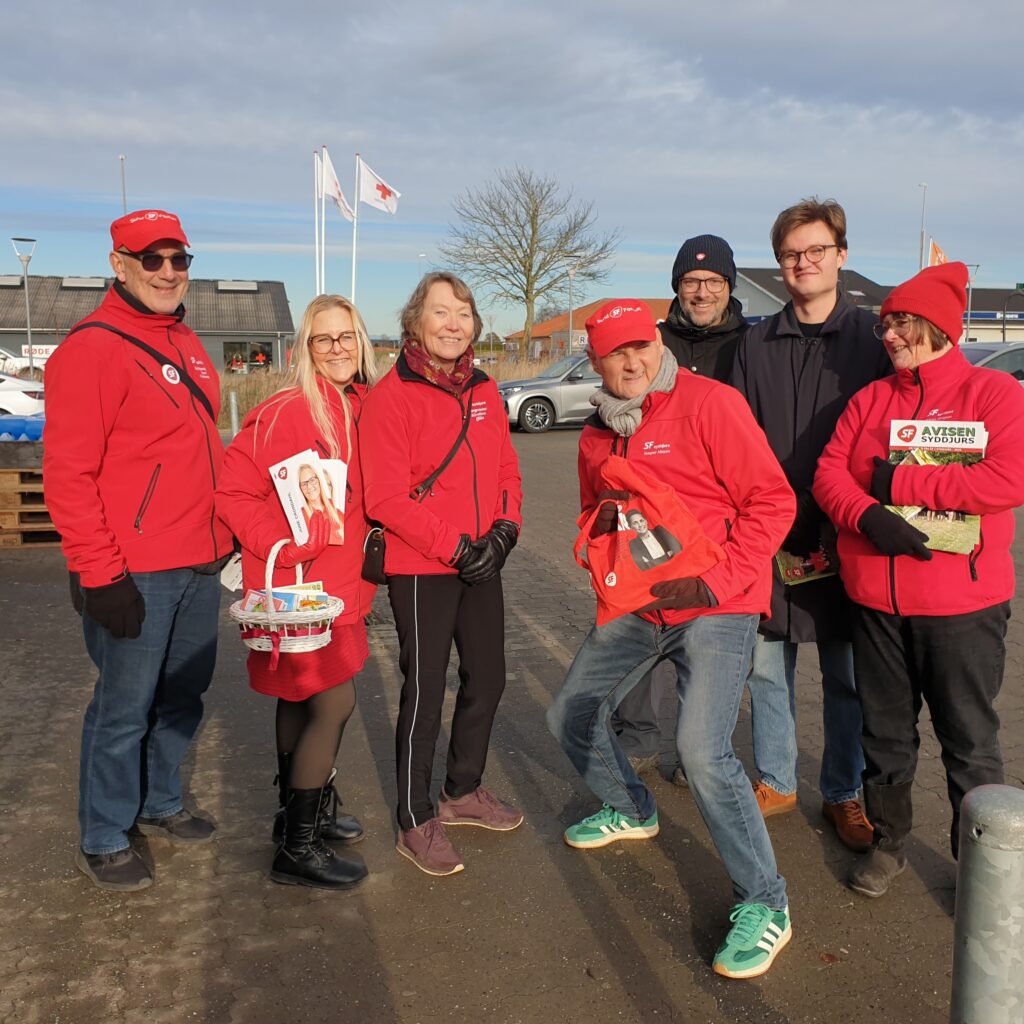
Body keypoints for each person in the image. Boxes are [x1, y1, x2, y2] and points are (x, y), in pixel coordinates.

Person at [547, 300, 796, 979]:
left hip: (717, 601)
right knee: (568, 714)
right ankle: (632, 807)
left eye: (641, 346)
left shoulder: (710, 404)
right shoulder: (597, 433)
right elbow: (593, 514)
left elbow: (773, 501)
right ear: (595, 361)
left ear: (658, 344)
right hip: (639, 605)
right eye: (616, 353)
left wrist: (719, 583)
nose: (632, 362)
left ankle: (766, 902)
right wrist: (600, 553)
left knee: (701, 750)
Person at [813, 262, 1024, 896]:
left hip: (962, 604)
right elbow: (829, 475)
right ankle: (889, 843)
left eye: (902, 322)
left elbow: (1007, 480)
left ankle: (983, 869)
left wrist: (899, 482)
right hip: (876, 602)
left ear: (939, 326)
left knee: (968, 738)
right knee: (884, 734)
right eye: (885, 323)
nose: (889, 334)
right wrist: (868, 516)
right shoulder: (871, 399)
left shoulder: (994, 394)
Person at [43, 209, 234, 892]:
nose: (167, 272)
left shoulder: (185, 339)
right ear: (118, 264)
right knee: (123, 708)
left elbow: (199, 447)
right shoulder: (91, 349)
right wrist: (100, 574)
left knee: (183, 694)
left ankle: (158, 800)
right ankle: (103, 834)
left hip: (201, 559)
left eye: (178, 259)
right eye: (151, 259)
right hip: (136, 569)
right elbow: (68, 474)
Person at [730, 198, 891, 850]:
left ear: (841, 256)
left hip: (845, 533)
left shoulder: (873, 341)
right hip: (770, 533)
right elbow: (738, 436)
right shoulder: (755, 343)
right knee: (768, 666)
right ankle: (777, 779)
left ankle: (843, 791)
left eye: (816, 250)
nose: (804, 262)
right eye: (791, 254)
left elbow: (885, 435)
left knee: (846, 675)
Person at [361, 271, 524, 877]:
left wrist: (505, 530)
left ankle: (462, 791)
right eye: (440, 312)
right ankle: (414, 816)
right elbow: (385, 497)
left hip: (484, 559)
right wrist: (455, 546)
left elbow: (507, 468)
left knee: (489, 678)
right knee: (425, 691)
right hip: (422, 565)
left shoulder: (484, 388)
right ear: (415, 322)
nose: (453, 324)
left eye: (463, 313)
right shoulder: (392, 396)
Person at [217, 295, 380, 890]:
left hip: (341, 583)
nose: (337, 348)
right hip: (302, 587)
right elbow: (233, 492)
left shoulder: (362, 404)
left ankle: (297, 813)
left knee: (300, 698)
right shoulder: (287, 411)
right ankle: (298, 847)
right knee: (334, 704)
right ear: (305, 349)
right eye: (323, 338)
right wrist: (282, 542)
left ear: (361, 341)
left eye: (346, 336)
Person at [613, 234, 750, 779]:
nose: (702, 291)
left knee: (708, 642)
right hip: (649, 518)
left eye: (713, 281)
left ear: (729, 286)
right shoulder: (654, 342)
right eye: (691, 281)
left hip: (719, 519)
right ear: (676, 286)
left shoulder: (750, 345)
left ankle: (700, 751)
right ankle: (639, 738)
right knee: (639, 624)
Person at [297, 461, 344, 544]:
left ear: (318, 480)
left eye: (312, 480)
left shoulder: (339, 514)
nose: (309, 486)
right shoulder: (299, 517)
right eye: (304, 484)